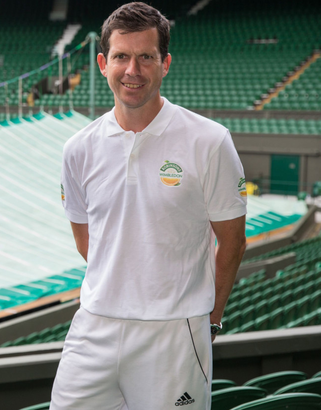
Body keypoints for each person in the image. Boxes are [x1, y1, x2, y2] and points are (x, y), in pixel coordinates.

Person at [51, 2, 247, 409]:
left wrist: (209, 319)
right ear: (103, 63)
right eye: (122, 56)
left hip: (175, 333)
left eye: (146, 57)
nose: (132, 70)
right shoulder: (78, 149)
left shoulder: (209, 141)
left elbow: (232, 242)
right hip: (94, 327)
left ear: (166, 63)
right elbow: (87, 240)